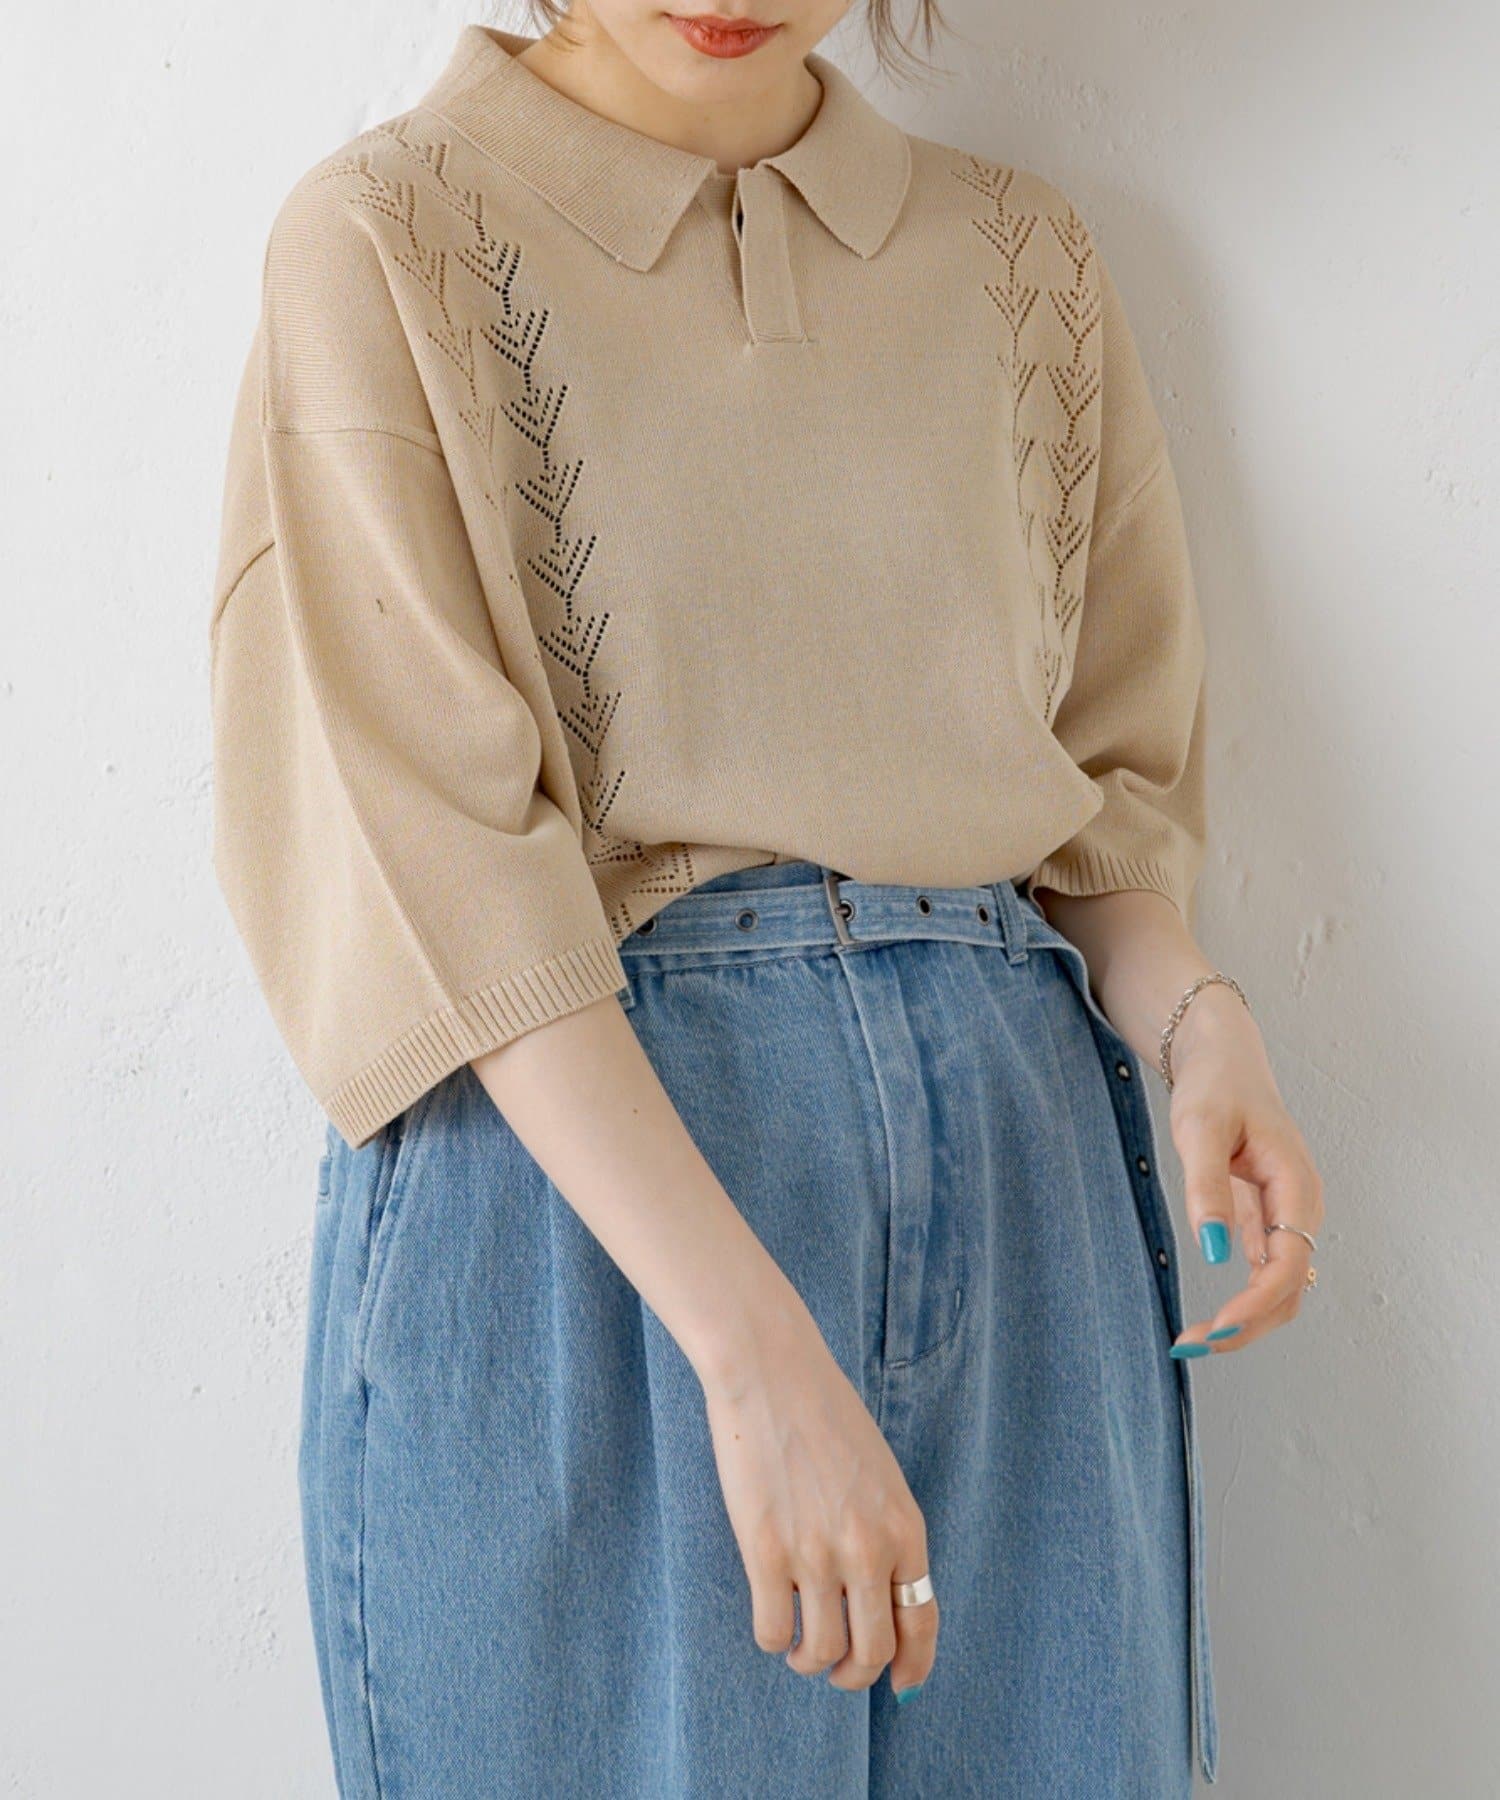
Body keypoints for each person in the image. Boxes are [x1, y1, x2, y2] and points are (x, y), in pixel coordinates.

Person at [208, 4, 1325, 1793]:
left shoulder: (1021, 257)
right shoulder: (387, 237)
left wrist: (1200, 1025)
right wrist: (750, 1349)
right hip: (588, 1209)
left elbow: (1103, 801)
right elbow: (429, 861)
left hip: (1029, 1195)